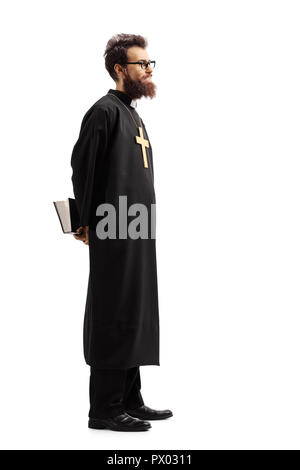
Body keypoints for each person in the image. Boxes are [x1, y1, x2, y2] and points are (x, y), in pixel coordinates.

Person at [70, 34, 173, 432]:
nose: (148, 69)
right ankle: (105, 408)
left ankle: (130, 398)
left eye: (150, 63)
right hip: (113, 226)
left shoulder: (133, 114)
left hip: (138, 228)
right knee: (114, 311)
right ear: (119, 69)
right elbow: (84, 165)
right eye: (140, 63)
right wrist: (84, 221)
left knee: (135, 310)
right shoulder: (104, 112)